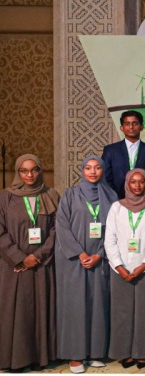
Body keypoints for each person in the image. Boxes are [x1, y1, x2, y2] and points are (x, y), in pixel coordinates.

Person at [57, 157, 117, 373]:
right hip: (74, 260)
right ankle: (75, 355)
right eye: (89, 168)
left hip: (101, 259)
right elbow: (62, 226)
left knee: (98, 304)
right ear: (82, 170)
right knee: (75, 306)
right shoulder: (70, 195)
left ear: (103, 170)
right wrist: (80, 253)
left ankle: (95, 352)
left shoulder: (111, 196)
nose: (93, 172)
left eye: (98, 167)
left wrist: (100, 254)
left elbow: (115, 229)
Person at [0, 154, 57, 373]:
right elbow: (0, 232)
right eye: (24, 171)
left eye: (34, 170)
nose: (29, 175)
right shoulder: (5, 197)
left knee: (41, 308)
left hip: (42, 264)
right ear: (18, 172)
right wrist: (20, 257)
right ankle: (16, 359)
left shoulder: (51, 195)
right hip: (14, 266)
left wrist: (39, 255)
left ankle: (39, 357)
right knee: (17, 311)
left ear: (40, 170)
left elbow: (57, 229)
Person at [105, 168, 145, 369]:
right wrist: (118, 265)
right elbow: (110, 239)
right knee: (121, 312)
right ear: (127, 184)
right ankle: (124, 352)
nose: (137, 186)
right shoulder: (117, 207)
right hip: (119, 268)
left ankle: (144, 352)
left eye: (141, 182)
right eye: (133, 182)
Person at [101, 110, 145, 197]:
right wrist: (115, 198)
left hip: (143, 199)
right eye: (127, 124)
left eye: (135, 123)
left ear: (141, 127)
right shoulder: (110, 150)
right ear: (122, 128)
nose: (131, 127)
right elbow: (105, 177)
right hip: (116, 199)